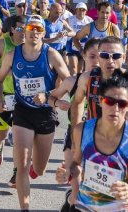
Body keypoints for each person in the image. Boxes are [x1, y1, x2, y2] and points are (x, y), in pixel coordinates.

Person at [56, 73, 128, 211]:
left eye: (121, 103)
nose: (115, 108)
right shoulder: (82, 130)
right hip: (84, 206)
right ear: (101, 101)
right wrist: (68, 171)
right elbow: (77, 163)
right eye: (109, 101)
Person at [0, 15, 70, 210]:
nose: (34, 32)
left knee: (39, 169)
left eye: (38, 28)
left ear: (43, 33)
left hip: (46, 114)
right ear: (24, 31)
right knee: (23, 165)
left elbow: (70, 82)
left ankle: (34, 167)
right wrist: (0, 101)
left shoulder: (51, 54)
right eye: (31, 28)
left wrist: (50, 96)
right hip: (22, 112)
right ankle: (25, 208)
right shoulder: (12, 55)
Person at [48, 38, 100, 210]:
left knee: (92, 180)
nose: (97, 61)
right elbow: (51, 96)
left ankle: (74, 197)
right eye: (92, 56)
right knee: (74, 175)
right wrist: (57, 104)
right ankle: (73, 201)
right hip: (74, 133)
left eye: (101, 56)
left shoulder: (109, 83)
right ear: (83, 56)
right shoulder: (73, 81)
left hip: (98, 135)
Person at [0, 15, 27, 187]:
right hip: (4, 95)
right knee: (2, 134)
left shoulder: (31, 47)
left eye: (27, 28)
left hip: (24, 99)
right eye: (19, 28)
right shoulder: (3, 44)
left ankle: (16, 173)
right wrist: (7, 72)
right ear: (12, 29)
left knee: (19, 137)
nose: (23, 31)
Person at [65, 2, 93, 75]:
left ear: (86, 11)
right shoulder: (69, 19)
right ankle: (72, 83)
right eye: (79, 10)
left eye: (83, 10)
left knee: (80, 69)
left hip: (83, 47)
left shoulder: (89, 20)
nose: (81, 12)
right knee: (73, 67)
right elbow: (64, 30)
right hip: (72, 46)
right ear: (76, 10)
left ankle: (78, 83)